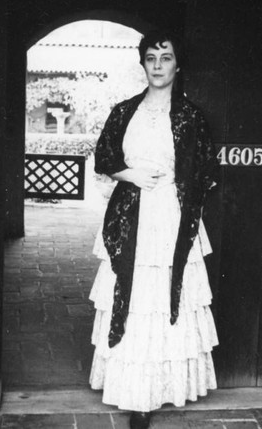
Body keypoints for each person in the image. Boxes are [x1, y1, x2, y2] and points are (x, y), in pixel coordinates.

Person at [88, 30, 220, 429]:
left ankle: (160, 389)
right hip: (131, 211)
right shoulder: (124, 110)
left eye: (166, 58)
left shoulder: (191, 115)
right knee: (133, 294)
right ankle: (134, 394)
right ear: (142, 64)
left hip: (172, 217)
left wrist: (180, 189)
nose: (158, 65)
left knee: (165, 297)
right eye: (151, 58)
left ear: (178, 65)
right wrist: (131, 175)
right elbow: (104, 156)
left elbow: (207, 171)